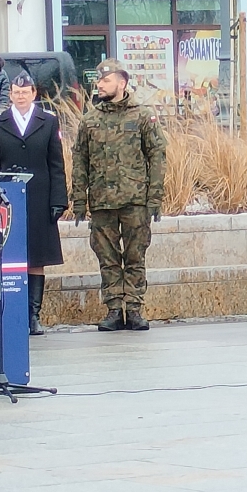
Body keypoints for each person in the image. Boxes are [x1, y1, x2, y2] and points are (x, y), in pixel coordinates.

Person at [71, 59, 166, 332]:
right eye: (99, 81)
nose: (100, 85)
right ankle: (114, 308)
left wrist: (154, 198)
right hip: (101, 201)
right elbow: (80, 162)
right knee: (107, 257)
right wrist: (79, 200)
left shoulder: (142, 116)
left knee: (136, 255)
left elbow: (157, 157)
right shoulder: (90, 120)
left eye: (106, 80)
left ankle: (134, 308)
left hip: (135, 200)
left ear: (122, 83)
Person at [0, 72, 67, 335]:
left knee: (36, 257)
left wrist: (58, 199)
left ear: (34, 94)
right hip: (8, 201)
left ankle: (33, 315)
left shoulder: (48, 121)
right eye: (16, 92)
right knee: (10, 257)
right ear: (10, 94)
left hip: (39, 198)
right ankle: (13, 314)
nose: (20, 96)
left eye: (25, 92)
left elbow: (56, 165)